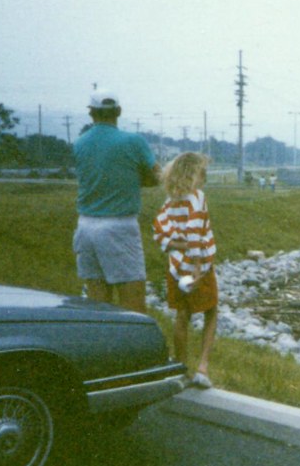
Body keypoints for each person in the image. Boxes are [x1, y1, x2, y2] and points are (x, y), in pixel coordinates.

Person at [72, 89, 160, 313]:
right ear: (118, 112)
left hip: (85, 225)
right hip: (119, 226)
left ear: (91, 114)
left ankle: (102, 346)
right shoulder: (134, 141)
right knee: (133, 302)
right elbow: (156, 176)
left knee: (98, 301)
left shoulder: (80, 143)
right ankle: (134, 346)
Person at [153, 152, 218, 388]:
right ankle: (202, 367)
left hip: (176, 268)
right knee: (211, 311)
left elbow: (159, 235)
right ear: (193, 173)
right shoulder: (197, 197)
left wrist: (178, 247)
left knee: (182, 315)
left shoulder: (169, 202)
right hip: (198, 264)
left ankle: (181, 367)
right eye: (202, 171)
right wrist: (198, 264)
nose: (205, 177)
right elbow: (195, 232)